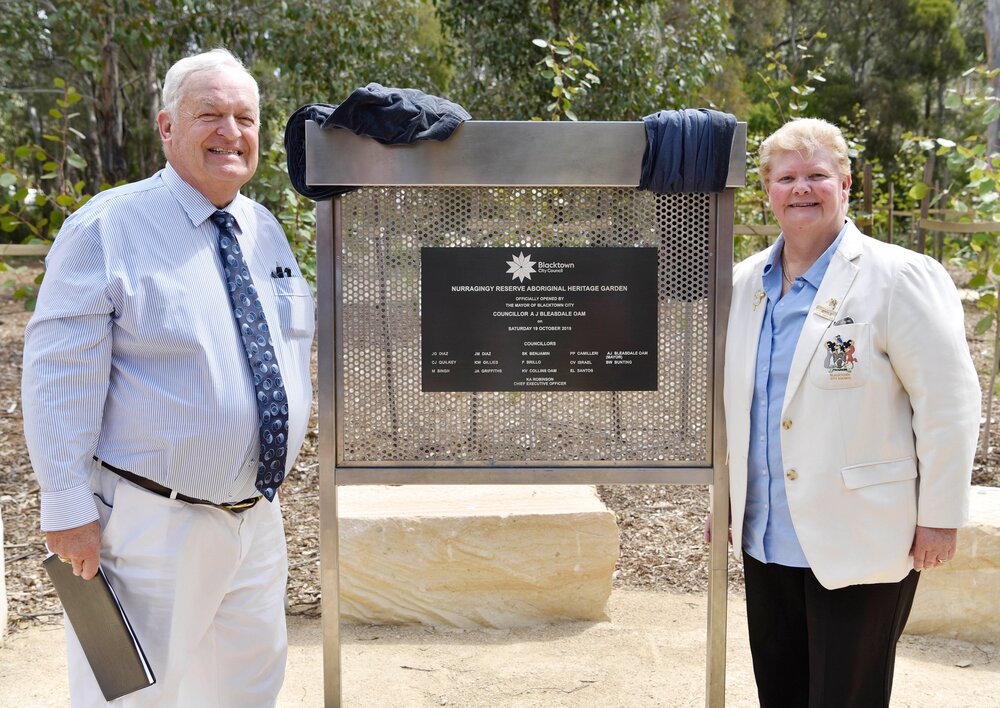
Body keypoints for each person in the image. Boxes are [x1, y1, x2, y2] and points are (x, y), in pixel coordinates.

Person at [22, 49, 314, 705]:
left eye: (245, 117)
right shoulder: (107, 227)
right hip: (151, 527)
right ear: (165, 127)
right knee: (131, 698)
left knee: (246, 693)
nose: (230, 133)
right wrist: (66, 507)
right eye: (210, 114)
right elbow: (57, 373)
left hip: (255, 522)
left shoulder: (264, 231)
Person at [721, 118, 980, 707]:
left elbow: (949, 403)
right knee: (780, 694)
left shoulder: (899, 277)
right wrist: (728, 501)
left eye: (817, 175)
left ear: (845, 184)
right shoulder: (743, 285)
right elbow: (738, 407)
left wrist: (940, 516)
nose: (802, 189)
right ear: (768, 189)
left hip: (862, 537)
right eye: (787, 177)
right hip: (766, 538)